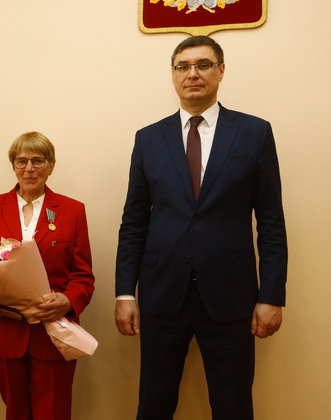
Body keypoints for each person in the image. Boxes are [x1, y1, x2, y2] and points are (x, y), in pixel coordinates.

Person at [115, 36, 288, 419]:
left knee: (233, 406)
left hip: (231, 296)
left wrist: (272, 295)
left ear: (221, 71)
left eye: (203, 64)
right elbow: (134, 222)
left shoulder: (254, 132)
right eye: (183, 66)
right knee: (154, 405)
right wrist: (125, 292)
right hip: (162, 295)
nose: (192, 73)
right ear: (173, 75)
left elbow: (271, 222)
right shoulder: (149, 138)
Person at [0, 131, 95, 420]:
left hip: (53, 332)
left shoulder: (73, 210)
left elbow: (83, 275)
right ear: (13, 165)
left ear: (51, 166)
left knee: (53, 413)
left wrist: (67, 300)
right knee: (16, 413)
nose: (29, 169)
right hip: (4, 331)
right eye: (21, 161)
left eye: (38, 161)